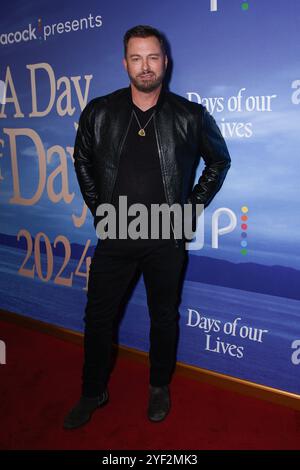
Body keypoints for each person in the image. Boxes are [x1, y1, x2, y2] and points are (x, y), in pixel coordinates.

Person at [63, 25, 231, 430]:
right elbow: (81, 159)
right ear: (125, 63)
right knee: (98, 317)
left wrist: (189, 210)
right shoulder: (100, 111)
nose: (145, 66)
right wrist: (101, 208)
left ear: (165, 61)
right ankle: (92, 390)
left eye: (152, 57)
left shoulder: (191, 116)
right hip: (116, 231)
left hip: (166, 236)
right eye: (136, 58)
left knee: (164, 316)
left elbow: (219, 161)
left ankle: (158, 386)